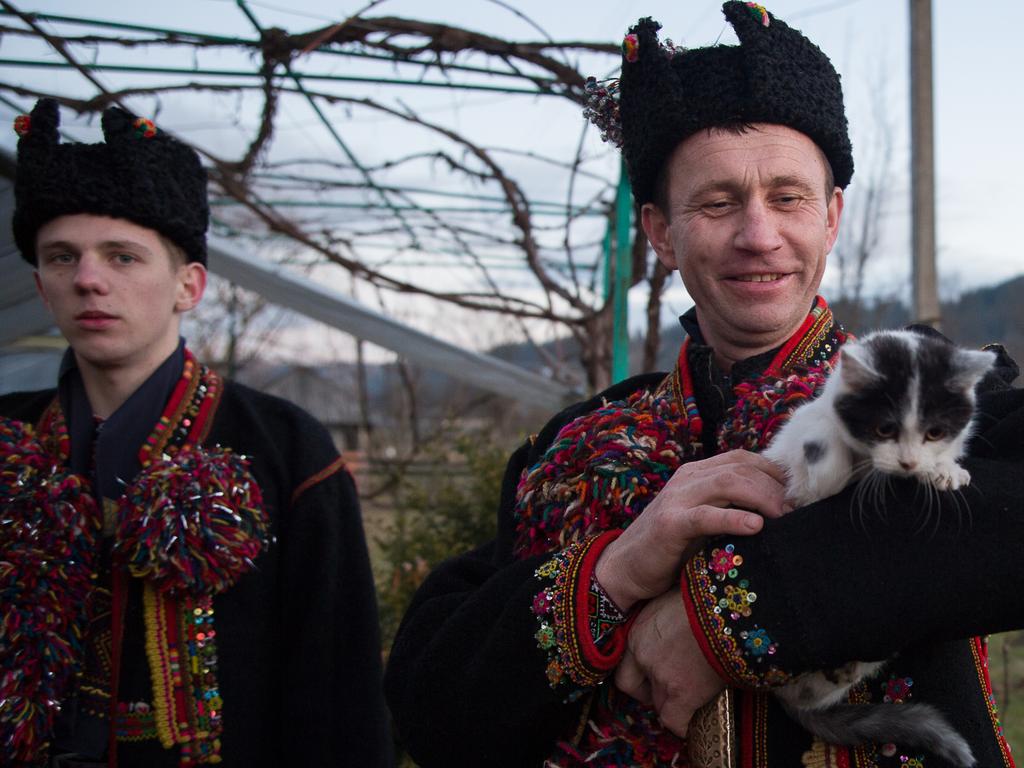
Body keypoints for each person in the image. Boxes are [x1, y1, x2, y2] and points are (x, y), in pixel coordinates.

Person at [384, 3, 1024, 766]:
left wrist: (718, 613)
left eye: (788, 198)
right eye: (718, 203)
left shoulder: (943, 398)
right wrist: (617, 568)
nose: (759, 235)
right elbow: (433, 712)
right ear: (660, 232)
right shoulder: (570, 452)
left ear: (832, 217)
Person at [0, 99, 392, 767]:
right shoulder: (11, 436)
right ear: (41, 287)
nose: (88, 279)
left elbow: (336, 692)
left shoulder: (286, 449)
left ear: (190, 286)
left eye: (122, 257)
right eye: (62, 258)